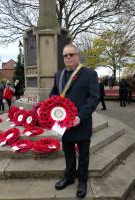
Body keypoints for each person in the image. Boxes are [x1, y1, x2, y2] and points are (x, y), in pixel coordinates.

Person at [50, 43, 100, 199]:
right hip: (64, 124)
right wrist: (53, 107)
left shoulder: (89, 74)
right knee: (68, 152)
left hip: (81, 122)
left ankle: (82, 181)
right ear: (63, 58)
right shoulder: (58, 75)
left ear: (77, 55)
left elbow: (94, 98)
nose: (69, 57)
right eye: (66, 55)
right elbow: (53, 94)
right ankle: (69, 177)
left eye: (72, 54)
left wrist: (81, 116)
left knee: (84, 156)